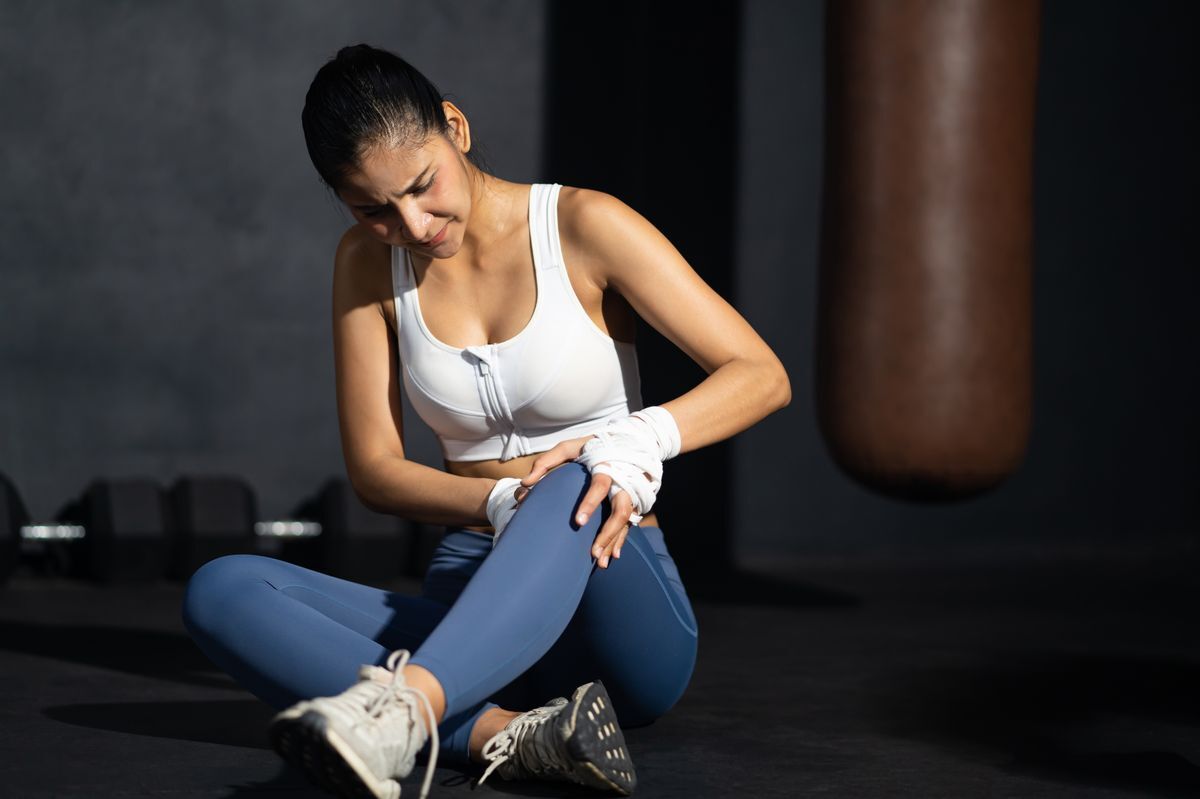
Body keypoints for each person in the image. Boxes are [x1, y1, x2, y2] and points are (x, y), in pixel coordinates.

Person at [180, 43, 791, 799]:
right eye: (372, 208)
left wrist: (635, 438)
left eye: (420, 185)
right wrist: (499, 502)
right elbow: (375, 468)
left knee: (573, 471)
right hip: (467, 604)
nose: (411, 221)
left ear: (456, 129)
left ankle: (409, 714)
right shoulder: (366, 264)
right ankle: (505, 732)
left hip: (616, 607)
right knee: (221, 589)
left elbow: (762, 375)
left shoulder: (583, 224)